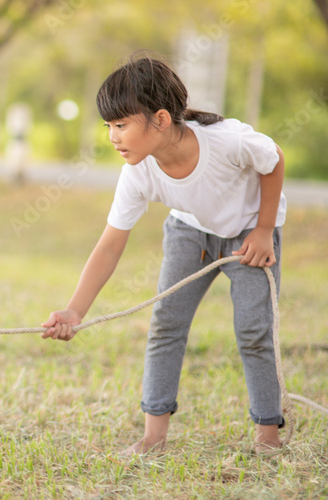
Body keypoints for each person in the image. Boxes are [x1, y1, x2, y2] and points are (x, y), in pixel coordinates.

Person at [41, 54, 287, 456]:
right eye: (108, 126)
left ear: (159, 118)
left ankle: (268, 436)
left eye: (121, 125)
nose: (113, 137)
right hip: (189, 232)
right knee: (165, 325)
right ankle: (153, 436)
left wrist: (263, 230)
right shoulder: (137, 172)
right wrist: (74, 311)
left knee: (253, 331)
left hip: (249, 233)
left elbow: (273, 158)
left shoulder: (227, 141)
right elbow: (110, 244)